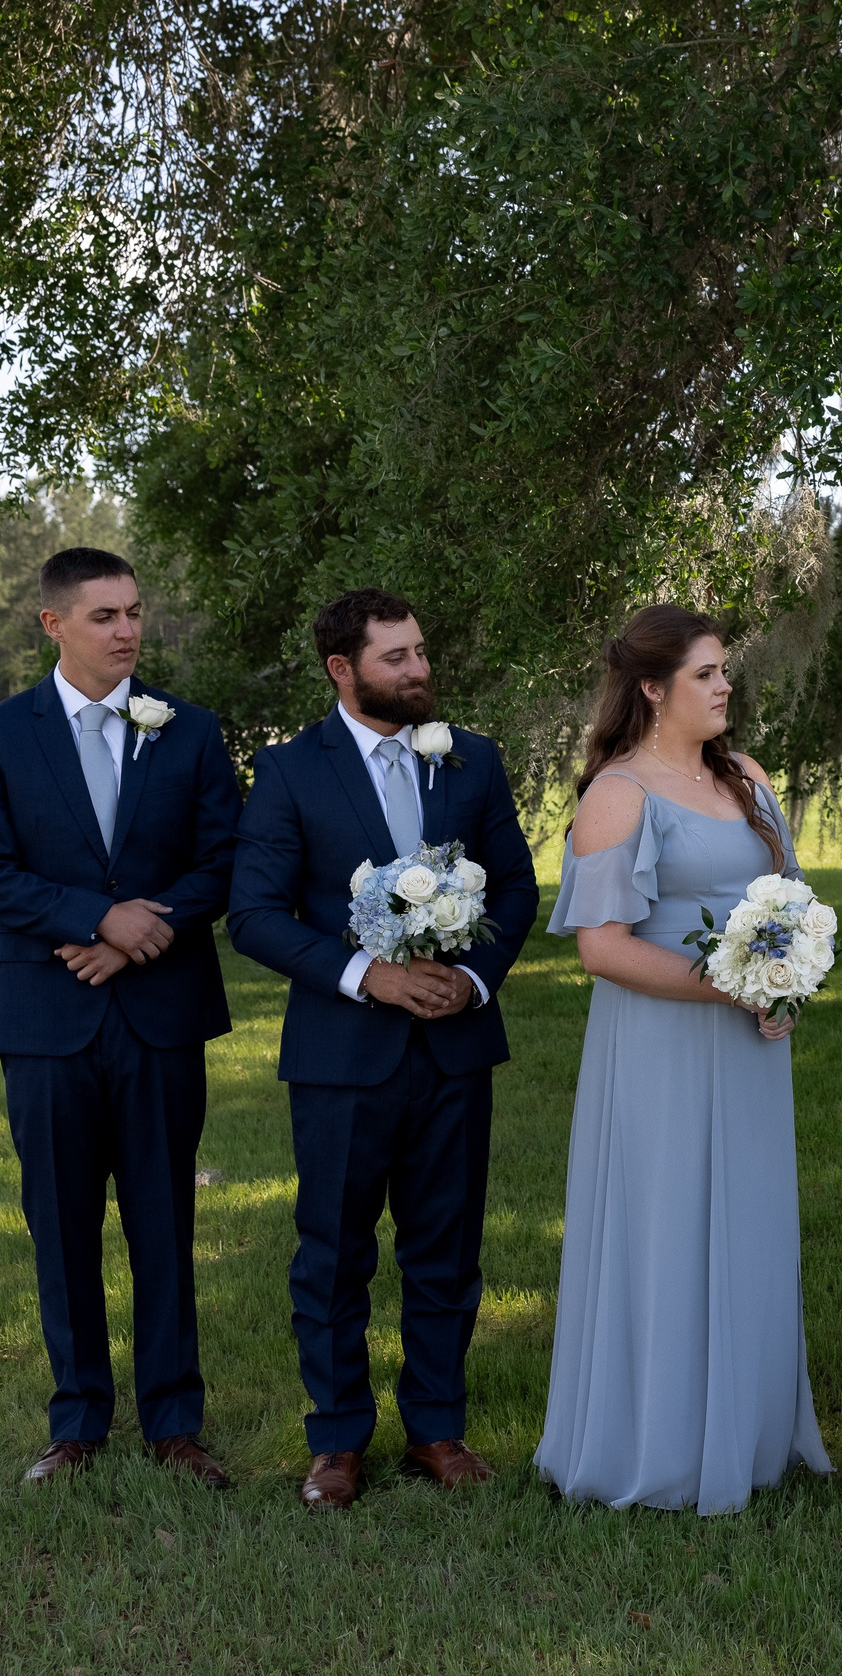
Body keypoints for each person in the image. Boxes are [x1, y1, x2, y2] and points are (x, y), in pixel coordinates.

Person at [228, 589, 540, 1509]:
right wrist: (370, 976)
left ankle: (438, 1429)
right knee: (332, 1254)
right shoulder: (291, 770)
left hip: (455, 1048)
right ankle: (336, 1441)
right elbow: (254, 915)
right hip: (341, 1055)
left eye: (420, 652)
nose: (419, 670)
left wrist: (472, 979)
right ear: (343, 669)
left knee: (447, 1248)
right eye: (396, 657)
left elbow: (516, 889)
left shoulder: (471, 759)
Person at [0, 546, 242, 1488]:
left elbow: (224, 861)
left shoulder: (190, 731)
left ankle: (175, 1423)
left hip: (160, 1012)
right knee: (62, 1223)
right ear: (54, 623)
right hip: (45, 1019)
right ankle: (76, 1423)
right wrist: (92, 919)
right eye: (106, 615)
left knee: (164, 1219)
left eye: (135, 612)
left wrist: (138, 934)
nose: (127, 630)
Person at [538, 605, 832, 1514]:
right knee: (664, 1227)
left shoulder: (746, 778)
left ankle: (750, 1435)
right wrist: (730, 989)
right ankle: (657, 1445)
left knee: (749, 1225)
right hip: (659, 1045)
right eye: (705, 673)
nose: (725, 685)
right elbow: (603, 949)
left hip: (749, 1047)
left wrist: (784, 985)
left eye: (723, 669)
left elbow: (788, 903)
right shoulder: (618, 793)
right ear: (653, 689)